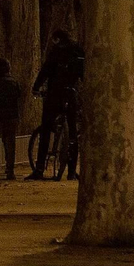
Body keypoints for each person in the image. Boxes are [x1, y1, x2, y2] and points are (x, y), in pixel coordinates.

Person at [29, 30, 83, 180]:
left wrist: (36, 87)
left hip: (55, 93)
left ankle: (39, 169)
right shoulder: (78, 51)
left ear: (56, 39)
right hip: (71, 93)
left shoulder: (56, 51)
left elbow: (45, 70)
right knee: (72, 133)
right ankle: (71, 171)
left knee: (46, 128)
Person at [0, 59, 24, 181]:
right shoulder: (14, 83)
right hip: (12, 116)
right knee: (10, 143)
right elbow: (19, 95)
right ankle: (10, 171)